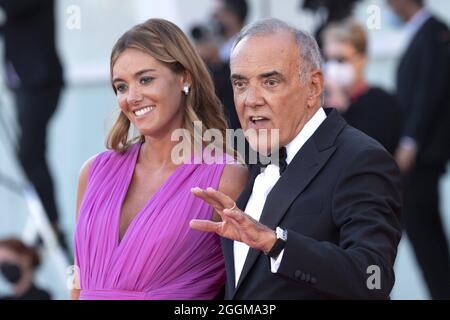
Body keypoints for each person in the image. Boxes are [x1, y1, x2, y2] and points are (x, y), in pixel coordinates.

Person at [190, 18, 402, 299]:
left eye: (270, 81)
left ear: (313, 87)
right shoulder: (255, 160)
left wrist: (278, 244)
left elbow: (374, 277)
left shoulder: (361, 159)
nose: (251, 99)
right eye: (240, 84)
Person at [72, 18, 248, 300]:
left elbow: (247, 290)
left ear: (184, 78)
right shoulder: (93, 172)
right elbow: (78, 276)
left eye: (145, 79)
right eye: (121, 86)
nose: (132, 97)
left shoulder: (226, 177)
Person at [387, 0, 450, 299]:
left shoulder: (435, 32)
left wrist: (410, 142)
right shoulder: (419, 33)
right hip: (418, 156)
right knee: (422, 235)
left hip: (422, 158)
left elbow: (430, 93)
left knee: (427, 238)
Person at [0, 0, 68, 254]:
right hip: (24, 84)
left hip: (40, 83)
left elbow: (15, 9)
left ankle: (51, 222)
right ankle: (49, 220)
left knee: (29, 152)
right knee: (30, 153)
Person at [322, 19, 402, 154]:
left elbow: (372, 151)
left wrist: (343, 108)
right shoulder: (321, 104)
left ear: (362, 59)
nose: (333, 67)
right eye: (328, 59)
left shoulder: (382, 101)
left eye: (341, 59)